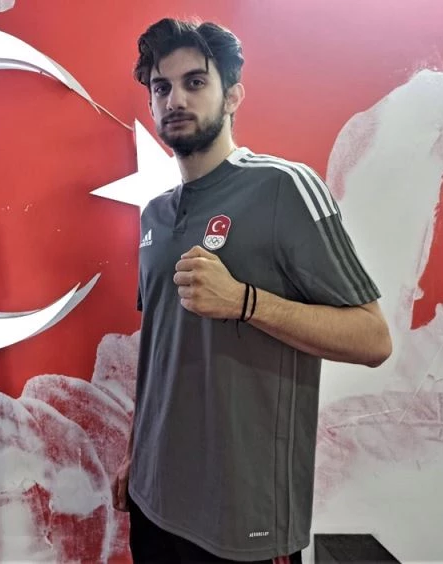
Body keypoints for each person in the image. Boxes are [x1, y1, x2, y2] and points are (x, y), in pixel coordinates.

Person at [111, 18, 392, 564]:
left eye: (195, 82)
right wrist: (134, 452)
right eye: (162, 87)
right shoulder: (155, 215)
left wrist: (246, 302)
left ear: (233, 95)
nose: (175, 99)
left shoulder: (283, 186)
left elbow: (373, 338)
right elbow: (160, 349)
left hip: (242, 515)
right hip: (153, 497)